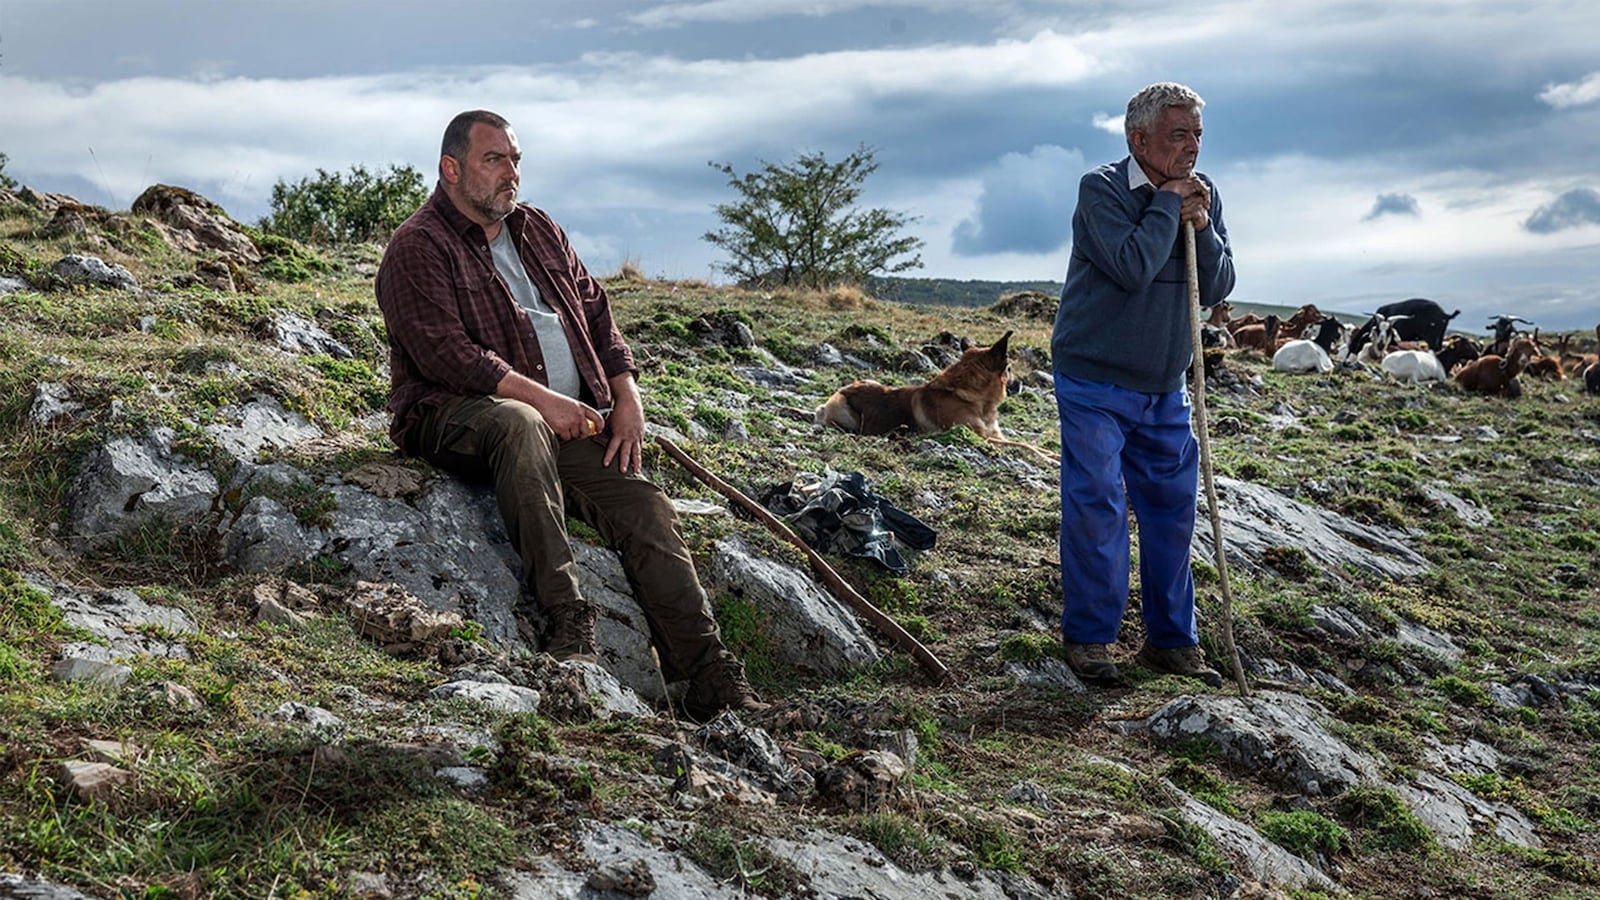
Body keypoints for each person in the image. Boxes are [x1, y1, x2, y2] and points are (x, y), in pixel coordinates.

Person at [375, 109, 766, 720]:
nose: (512, 174)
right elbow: (446, 354)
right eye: (494, 160)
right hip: (453, 416)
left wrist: (626, 393)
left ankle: (710, 675)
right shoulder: (417, 245)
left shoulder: (539, 229)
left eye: (516, 159)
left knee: (644, 503)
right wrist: (543, 399)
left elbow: (599, 314)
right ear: (451, 169)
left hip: (567, 423)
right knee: (519, 423)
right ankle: (567, 621)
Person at [1050, 82, 1236, 687]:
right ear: (1139, 139)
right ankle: (1090, 639)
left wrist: (1202, 223)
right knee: (1098, 502)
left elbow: (1219, 284)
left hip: (1164, 384)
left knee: (1170, 511)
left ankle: (1171, 641)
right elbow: (1130, 267)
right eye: (1179, 135)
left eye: (1198, 136)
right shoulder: (1100, 189)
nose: (1192, 149)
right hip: (1094, 378)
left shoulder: (1201, 195)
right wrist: (1166, 206)